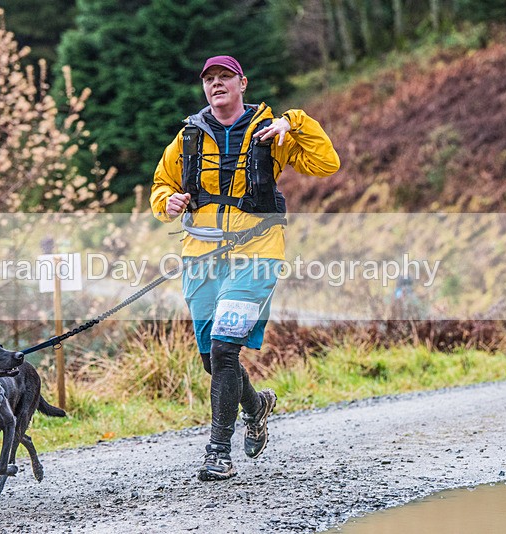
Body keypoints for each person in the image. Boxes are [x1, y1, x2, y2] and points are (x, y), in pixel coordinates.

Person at [150, 55, 340, 481]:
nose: (216, 85)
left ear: (242, 84)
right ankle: (256, 406)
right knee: (212, 360)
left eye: (225, 78)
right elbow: (161, 185)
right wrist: (170, 202)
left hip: (256, 253)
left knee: (224, 348)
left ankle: (218, 452)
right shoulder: (188, 137)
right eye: (209, 79)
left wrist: (296, 123)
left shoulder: (270, 132)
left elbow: (327, 164)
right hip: (200, 257)